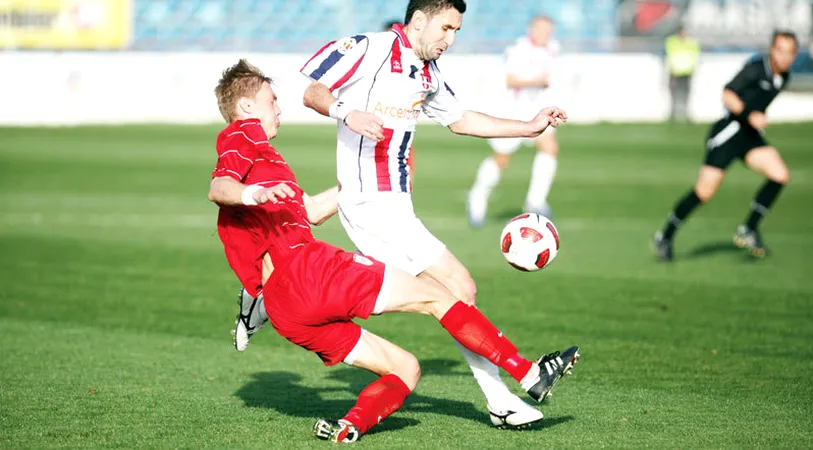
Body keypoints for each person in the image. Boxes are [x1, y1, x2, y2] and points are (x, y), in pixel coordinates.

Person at [209, 59, 579, 443]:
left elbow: (314, 211)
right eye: (272, 99)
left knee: (405, 368)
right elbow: (220, 187)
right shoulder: (243, 133)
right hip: (308, 271)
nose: (279, 108)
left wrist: (368, 179)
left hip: (288, 310)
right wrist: (253, 193)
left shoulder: (268, 161)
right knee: (442, 295)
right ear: (248, 107)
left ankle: (348, 426)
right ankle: (530, 374)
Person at [300, 0, 573, 429]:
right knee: (454, 289)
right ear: (420, 19)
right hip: (370, 203)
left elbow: (461, 119)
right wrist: (346, 112)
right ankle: (521, 380)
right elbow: (313, 89)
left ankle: (504, 397)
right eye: (446, 28)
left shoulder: (426, 72)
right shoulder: (369, 48)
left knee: (459, 290)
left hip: (396, 204)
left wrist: (528, 126)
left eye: (457, 31)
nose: (451, 39)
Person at [653, 31, 798, 261]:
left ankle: (749, 228)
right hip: (728, 134)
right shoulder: (756, 69)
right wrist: (750, 114)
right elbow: (728, 94)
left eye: (790, 52)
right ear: (771, 49)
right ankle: (665, 235)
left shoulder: (784, 76)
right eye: (780, 49)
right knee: (704, 192)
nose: (785, 56)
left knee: (780, 174)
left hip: (749, 136)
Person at [467, 15, 561, 226]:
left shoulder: (552, 48)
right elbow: (511, 80)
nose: (546, 35)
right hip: (512, 111)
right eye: (543, 30)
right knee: (502, 159)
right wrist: (538, 81)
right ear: (532, 30)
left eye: (549, 31)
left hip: (535, 109)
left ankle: (535, 201)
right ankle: (477, 196)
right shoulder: (519, 49)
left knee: (550, 147)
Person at [664, 26, 700, 122]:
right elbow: (670, 56)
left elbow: (695, 56)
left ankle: (686, 114)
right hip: (675, 73)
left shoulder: (691, 42)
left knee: (686, 95)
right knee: (674, 95)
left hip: (687, 72)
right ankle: (673, 115)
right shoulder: (671, 41)